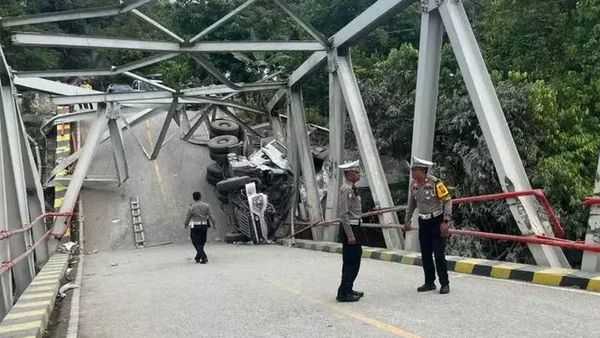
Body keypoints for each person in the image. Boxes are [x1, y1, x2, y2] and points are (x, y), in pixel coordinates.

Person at [404, 157, 452, 294]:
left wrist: (446, 221)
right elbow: (412, 204)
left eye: (415, 170)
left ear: (423, 171)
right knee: (425, 254)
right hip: (423, 222)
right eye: (412, 170)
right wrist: (407, 220)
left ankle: (444, 283)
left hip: (436, 221)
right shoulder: (413, 185)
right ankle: (429, 282)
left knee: (438, 254)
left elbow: (447, 200)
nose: (413, 173)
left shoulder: (436, 183)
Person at [336, 160, 366, 302]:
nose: (358, 174)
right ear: (349, 174)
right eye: (356, 171)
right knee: (351, 261)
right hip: (351, 227)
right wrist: (350, 234)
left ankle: (348, 288)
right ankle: (343, 292)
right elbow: (344, 214)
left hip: (355, 226)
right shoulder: (346, 190)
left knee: (354, 260)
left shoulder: (352, 188)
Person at [184, 192, 216, 264]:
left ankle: (204, 257)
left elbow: (188, 216)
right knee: (202, 242)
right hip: (204, 226)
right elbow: (211, 216)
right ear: (200, 197)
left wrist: (186, 223)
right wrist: (214, 223)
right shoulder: (206, 206)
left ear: (193, 198)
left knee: (196, 242)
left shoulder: (191, 207)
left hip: (195, 226)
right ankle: (198, 257)